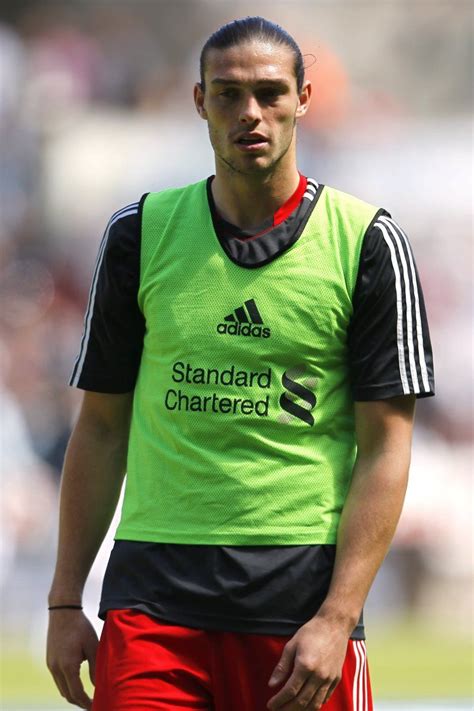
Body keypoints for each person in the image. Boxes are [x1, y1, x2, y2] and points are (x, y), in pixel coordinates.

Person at [46, 16, 435, 711]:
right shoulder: (139, 234)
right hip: (153, 600)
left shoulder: (367, 242)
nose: (249, 113)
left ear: (303, 99)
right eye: (227, 94)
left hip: (300, 606)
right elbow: (100, 427)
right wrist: (64, 600)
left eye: (269, 93)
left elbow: (387, 446)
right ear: (200, 102)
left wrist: (338, 616)